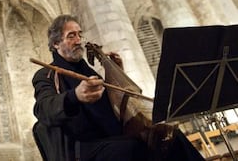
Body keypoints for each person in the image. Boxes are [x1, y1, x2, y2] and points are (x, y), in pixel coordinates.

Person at [32, 14, 204, 161]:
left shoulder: (87, 70)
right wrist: (74, 96)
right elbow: (43, 109)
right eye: (71, 36)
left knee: (170, 136)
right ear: (56, 43)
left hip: (113, 137)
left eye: (79, 35)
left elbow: (112, 104)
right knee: (134, 149)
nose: (78, 41)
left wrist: (116, 73)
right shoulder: (46, 74)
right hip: (82, 149)